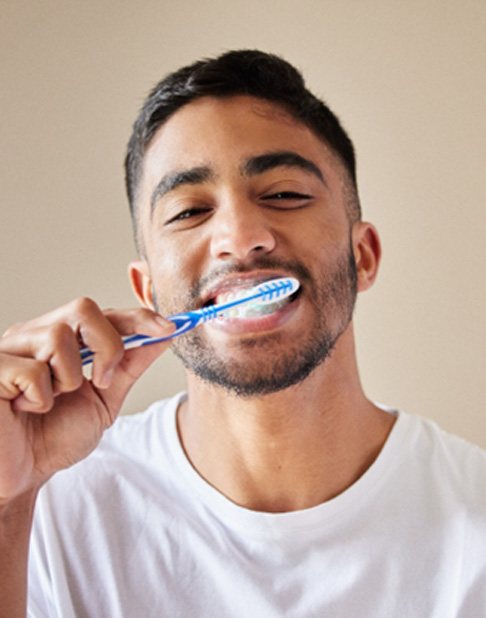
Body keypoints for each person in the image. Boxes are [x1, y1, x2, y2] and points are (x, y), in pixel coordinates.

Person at [0, 50, 484, 618]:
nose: (240, 236)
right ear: (148, 290)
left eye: (284, 195)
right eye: (188, 211)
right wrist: (7, 508)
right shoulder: (45, 513)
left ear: (363, 256)